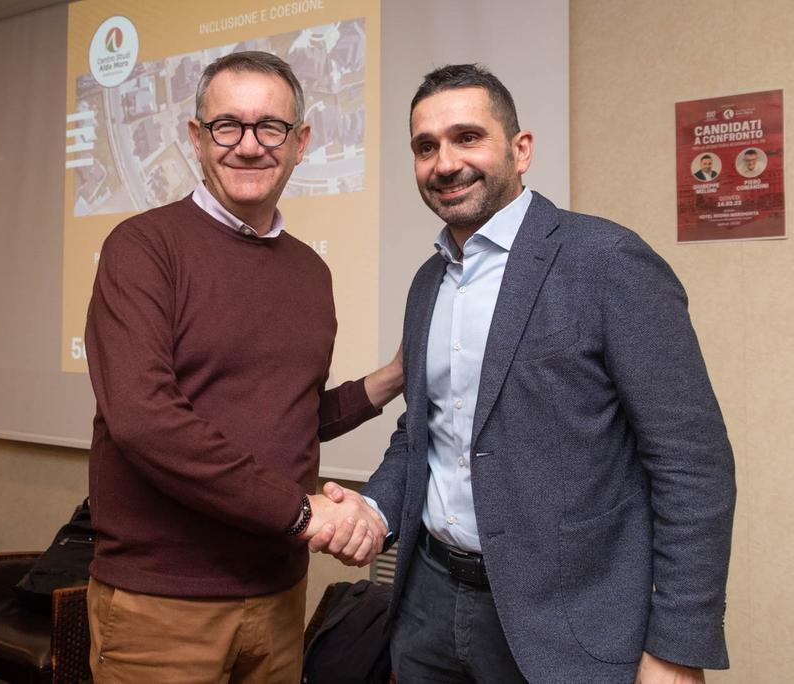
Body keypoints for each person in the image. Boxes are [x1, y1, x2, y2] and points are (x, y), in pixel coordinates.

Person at [314, 64, 735, 683]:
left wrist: (676, 647)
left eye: (467, 138)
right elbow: (425, 430)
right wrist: (375, 509)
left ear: (521, 148)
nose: (445, 163)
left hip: (569, 619)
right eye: (425, 147)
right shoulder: (428, 282)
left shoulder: (606, 261)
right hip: (427, 603)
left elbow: (691, 463)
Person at [84, 51, 396, 683]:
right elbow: (145, 420)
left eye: (270, 128)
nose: (249, 146)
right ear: (197, 137)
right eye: (228, 125)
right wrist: (306, 513)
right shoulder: (143, 248)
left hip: (279, 595)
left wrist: (391, 379)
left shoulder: (311, 271)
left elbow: (287, 413)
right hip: (164, 604)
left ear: (301, 142)